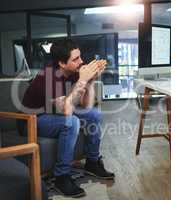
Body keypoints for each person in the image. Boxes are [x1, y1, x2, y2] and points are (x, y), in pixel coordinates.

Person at [22, 39, 114, 197]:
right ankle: (61, 176)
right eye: (76, 59)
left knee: (94, 114)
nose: (81, 62)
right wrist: (82, 80)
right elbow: (67, 112)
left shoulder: (73, 73)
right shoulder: (48, 77)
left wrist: (90, 81)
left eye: (80, 57)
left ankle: (92, 162)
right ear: (62, 63)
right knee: (71, 122)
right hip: (33, 120)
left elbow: (87, 105)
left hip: (54, 113)